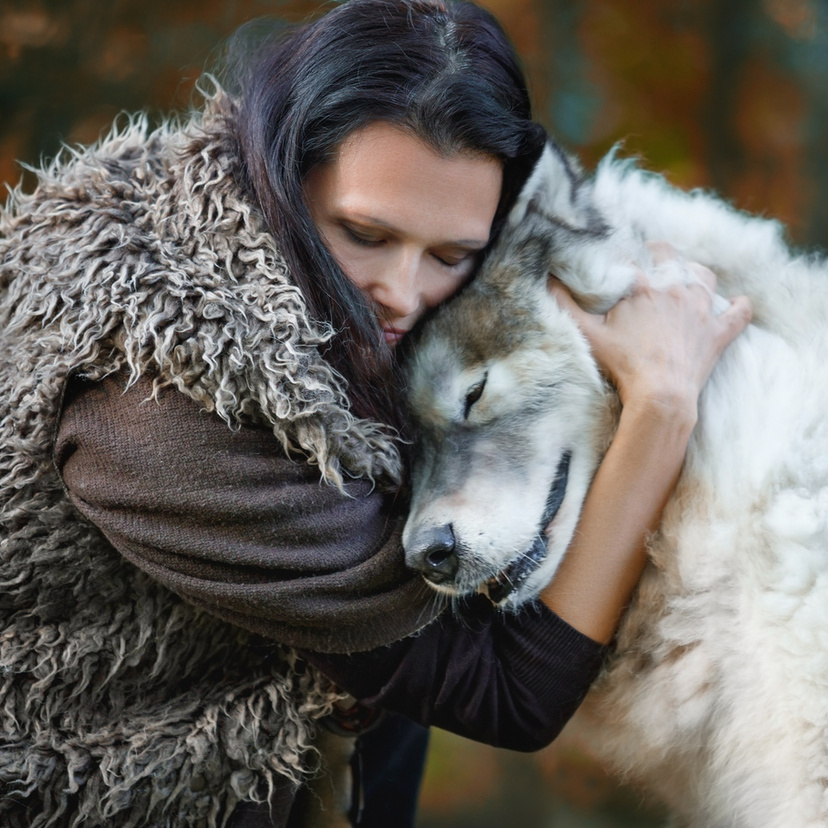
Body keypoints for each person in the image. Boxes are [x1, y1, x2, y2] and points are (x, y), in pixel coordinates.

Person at [0, 0, 751, 826]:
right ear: (285, 171)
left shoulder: (294, 279)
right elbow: (508, 695)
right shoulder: (155, 406)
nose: (402, 292)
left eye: (452, 254)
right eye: (364, 233)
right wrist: (662, 402)